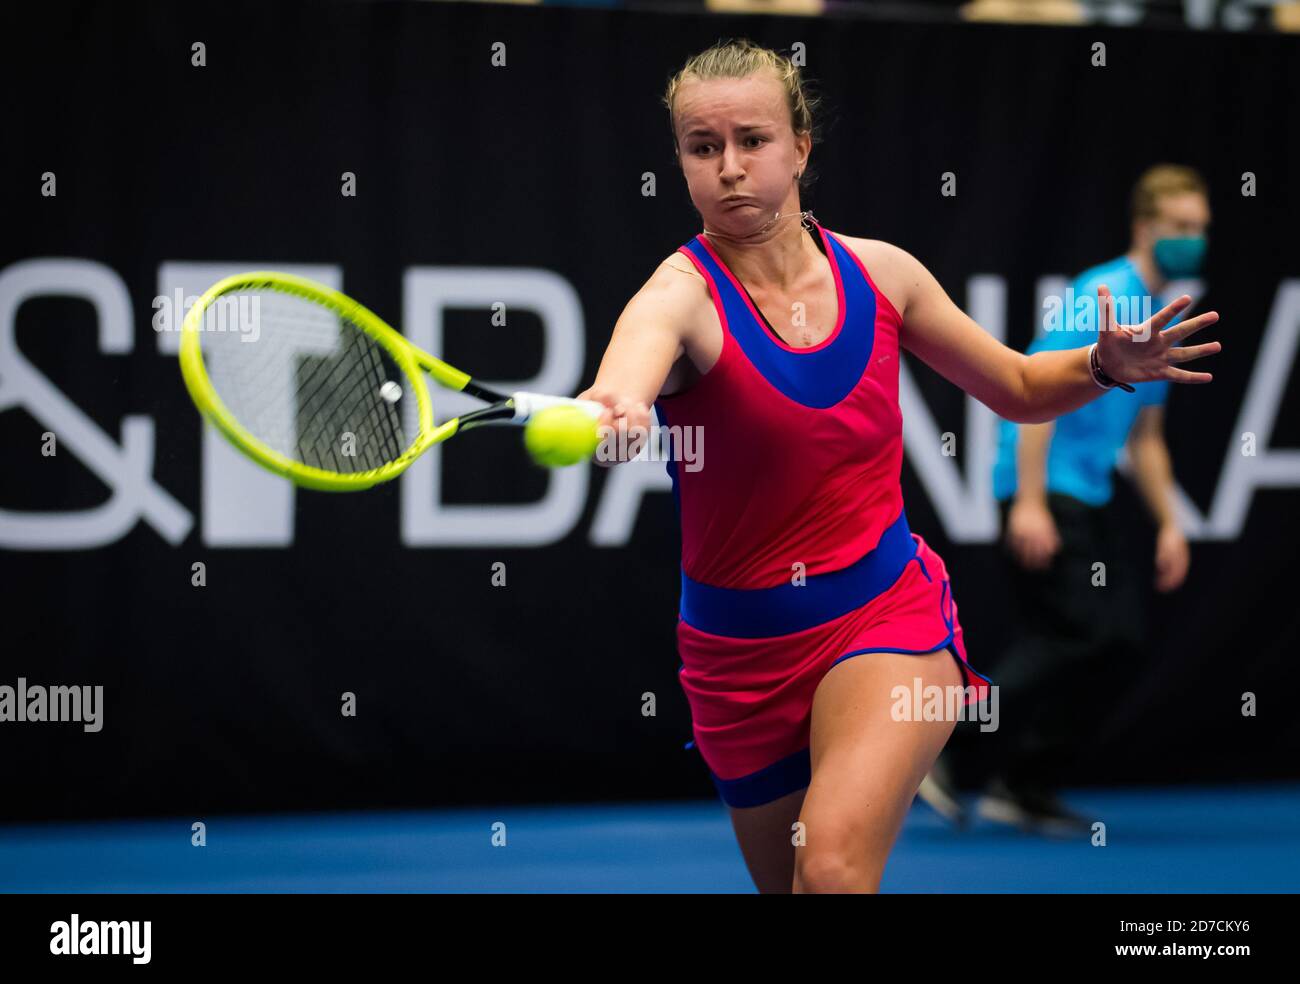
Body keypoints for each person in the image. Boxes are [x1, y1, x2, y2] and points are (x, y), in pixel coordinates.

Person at [578, 40, 1220, 893]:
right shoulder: (677, 295)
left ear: (801, 147)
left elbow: (1023, 387)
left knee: (834, 870)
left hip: (882, 616)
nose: (730, 168)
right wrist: (613, 406)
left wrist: (1100, 366)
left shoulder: (885, 276)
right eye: (703, 147)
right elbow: (626, 369)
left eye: (753, 140)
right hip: (734, 655)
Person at [919, 165, 1211, 836]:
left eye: (1201, 229)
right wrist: (1028, 503)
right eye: (1180, 228)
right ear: (1145, 228)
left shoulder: (1167, 312)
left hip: (1089, 493)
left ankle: (1022, 783)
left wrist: (1170, 523)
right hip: (1044, 488)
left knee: (1121, 642)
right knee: (1080, 633)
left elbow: (1147, 439)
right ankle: (937, 744)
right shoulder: (1101, 294)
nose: (1193, 241)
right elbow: (1032, 395)